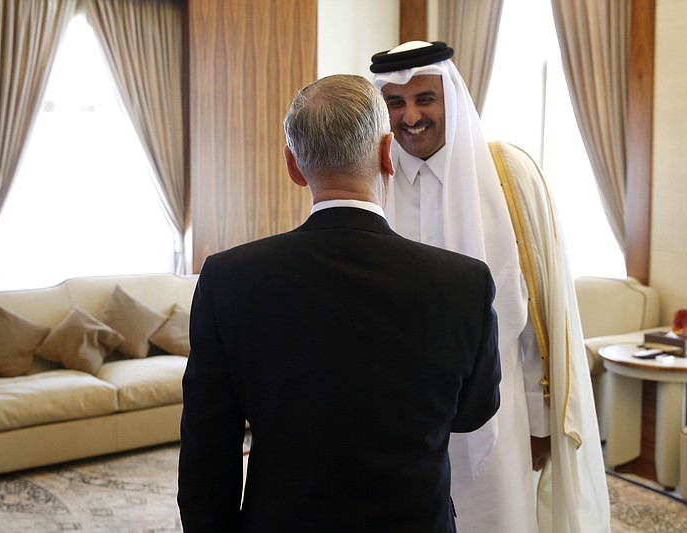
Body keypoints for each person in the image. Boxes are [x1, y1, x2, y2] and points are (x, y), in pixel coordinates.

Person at [177, 74, 502, 533]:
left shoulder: (228, 278)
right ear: (388, 154)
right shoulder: (465, 282)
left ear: (293, 165)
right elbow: (473, 413)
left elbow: (207, 447)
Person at [370, 41, 611, 532]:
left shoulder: (506, 175)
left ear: (451, 97)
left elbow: (534, 319)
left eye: (424, 98)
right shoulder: (371, 180)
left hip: (498, 419)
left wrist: (541, 426)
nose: (410, 116)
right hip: (396, 419)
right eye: (394, 103)